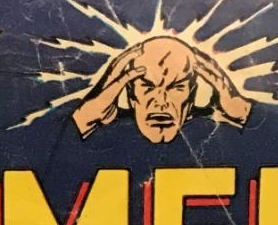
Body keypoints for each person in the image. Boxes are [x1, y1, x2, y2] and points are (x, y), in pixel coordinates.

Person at [71, 33, 250, 143]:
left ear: (192, 96)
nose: (161, 102)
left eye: (176, 87)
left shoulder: (215, 137)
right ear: (131, 95)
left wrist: (243, 111)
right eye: (147, 86)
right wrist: (83, 118)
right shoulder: (106, 138)